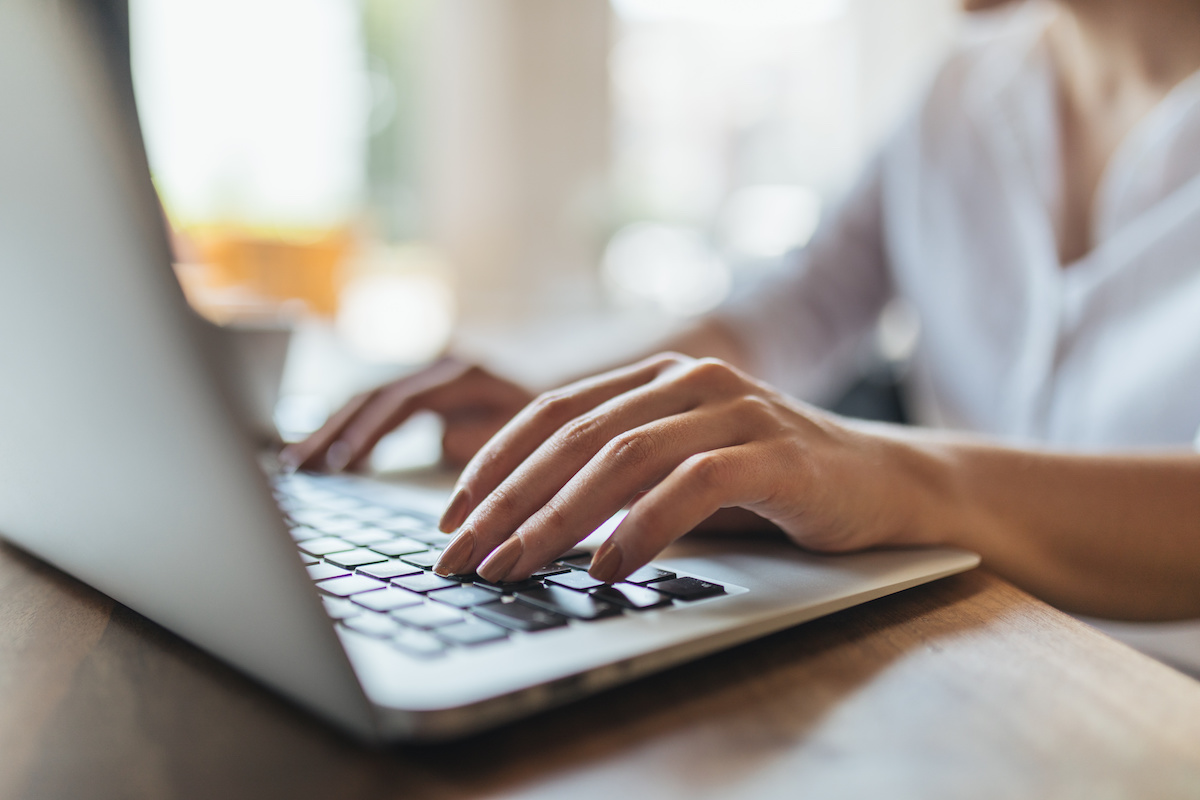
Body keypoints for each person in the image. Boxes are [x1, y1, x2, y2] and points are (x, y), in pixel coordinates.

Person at [283, 0, 1200, 661]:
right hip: (978, 658)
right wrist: (559, 411)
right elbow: (781, 310)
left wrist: (898, 473)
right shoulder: (961, 91)